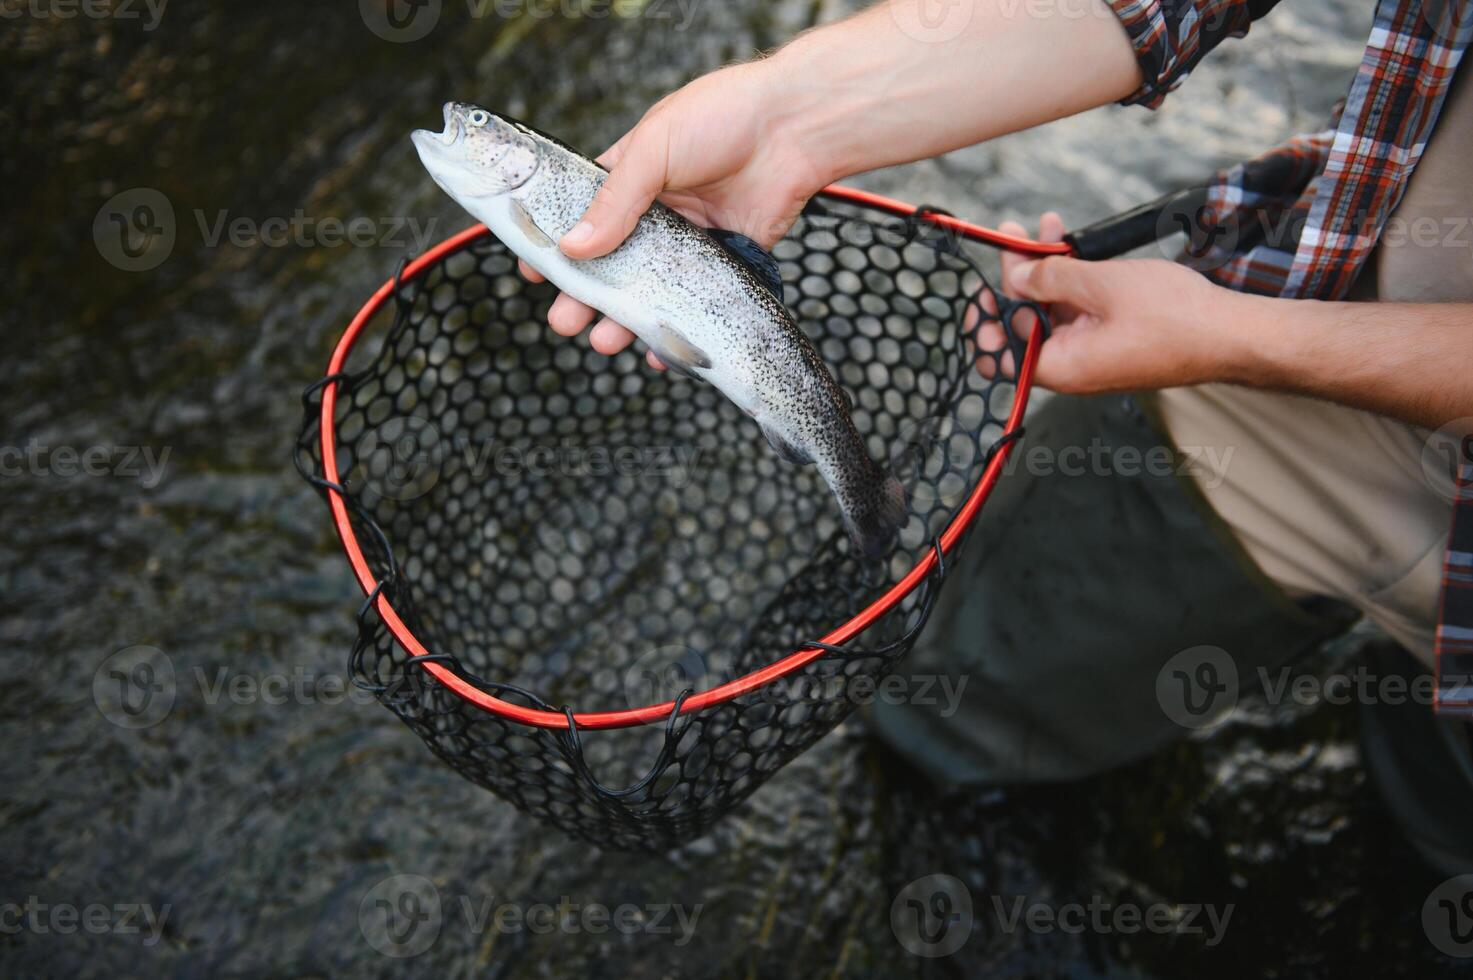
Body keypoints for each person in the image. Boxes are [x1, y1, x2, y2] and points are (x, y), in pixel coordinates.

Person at [518, 0, 1473, 873]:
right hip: (1300, 317)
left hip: (1266, 360)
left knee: (1439, 828)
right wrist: (782, 113)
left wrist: (1231, 339)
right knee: (956, 696)